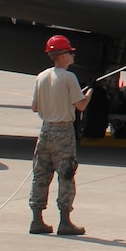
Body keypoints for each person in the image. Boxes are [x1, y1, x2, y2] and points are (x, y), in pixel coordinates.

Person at [29, 35, 90, 236]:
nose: (72, 55)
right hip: (63, 131)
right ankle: (65, 221)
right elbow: (80, 105)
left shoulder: (41, 76)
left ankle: (37, 220)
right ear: (62, 55)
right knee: (66, 175)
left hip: (45, 130)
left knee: (41, 175)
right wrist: (90, 94)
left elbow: (35, 107)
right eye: (70, 52)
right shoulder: (69, 78)